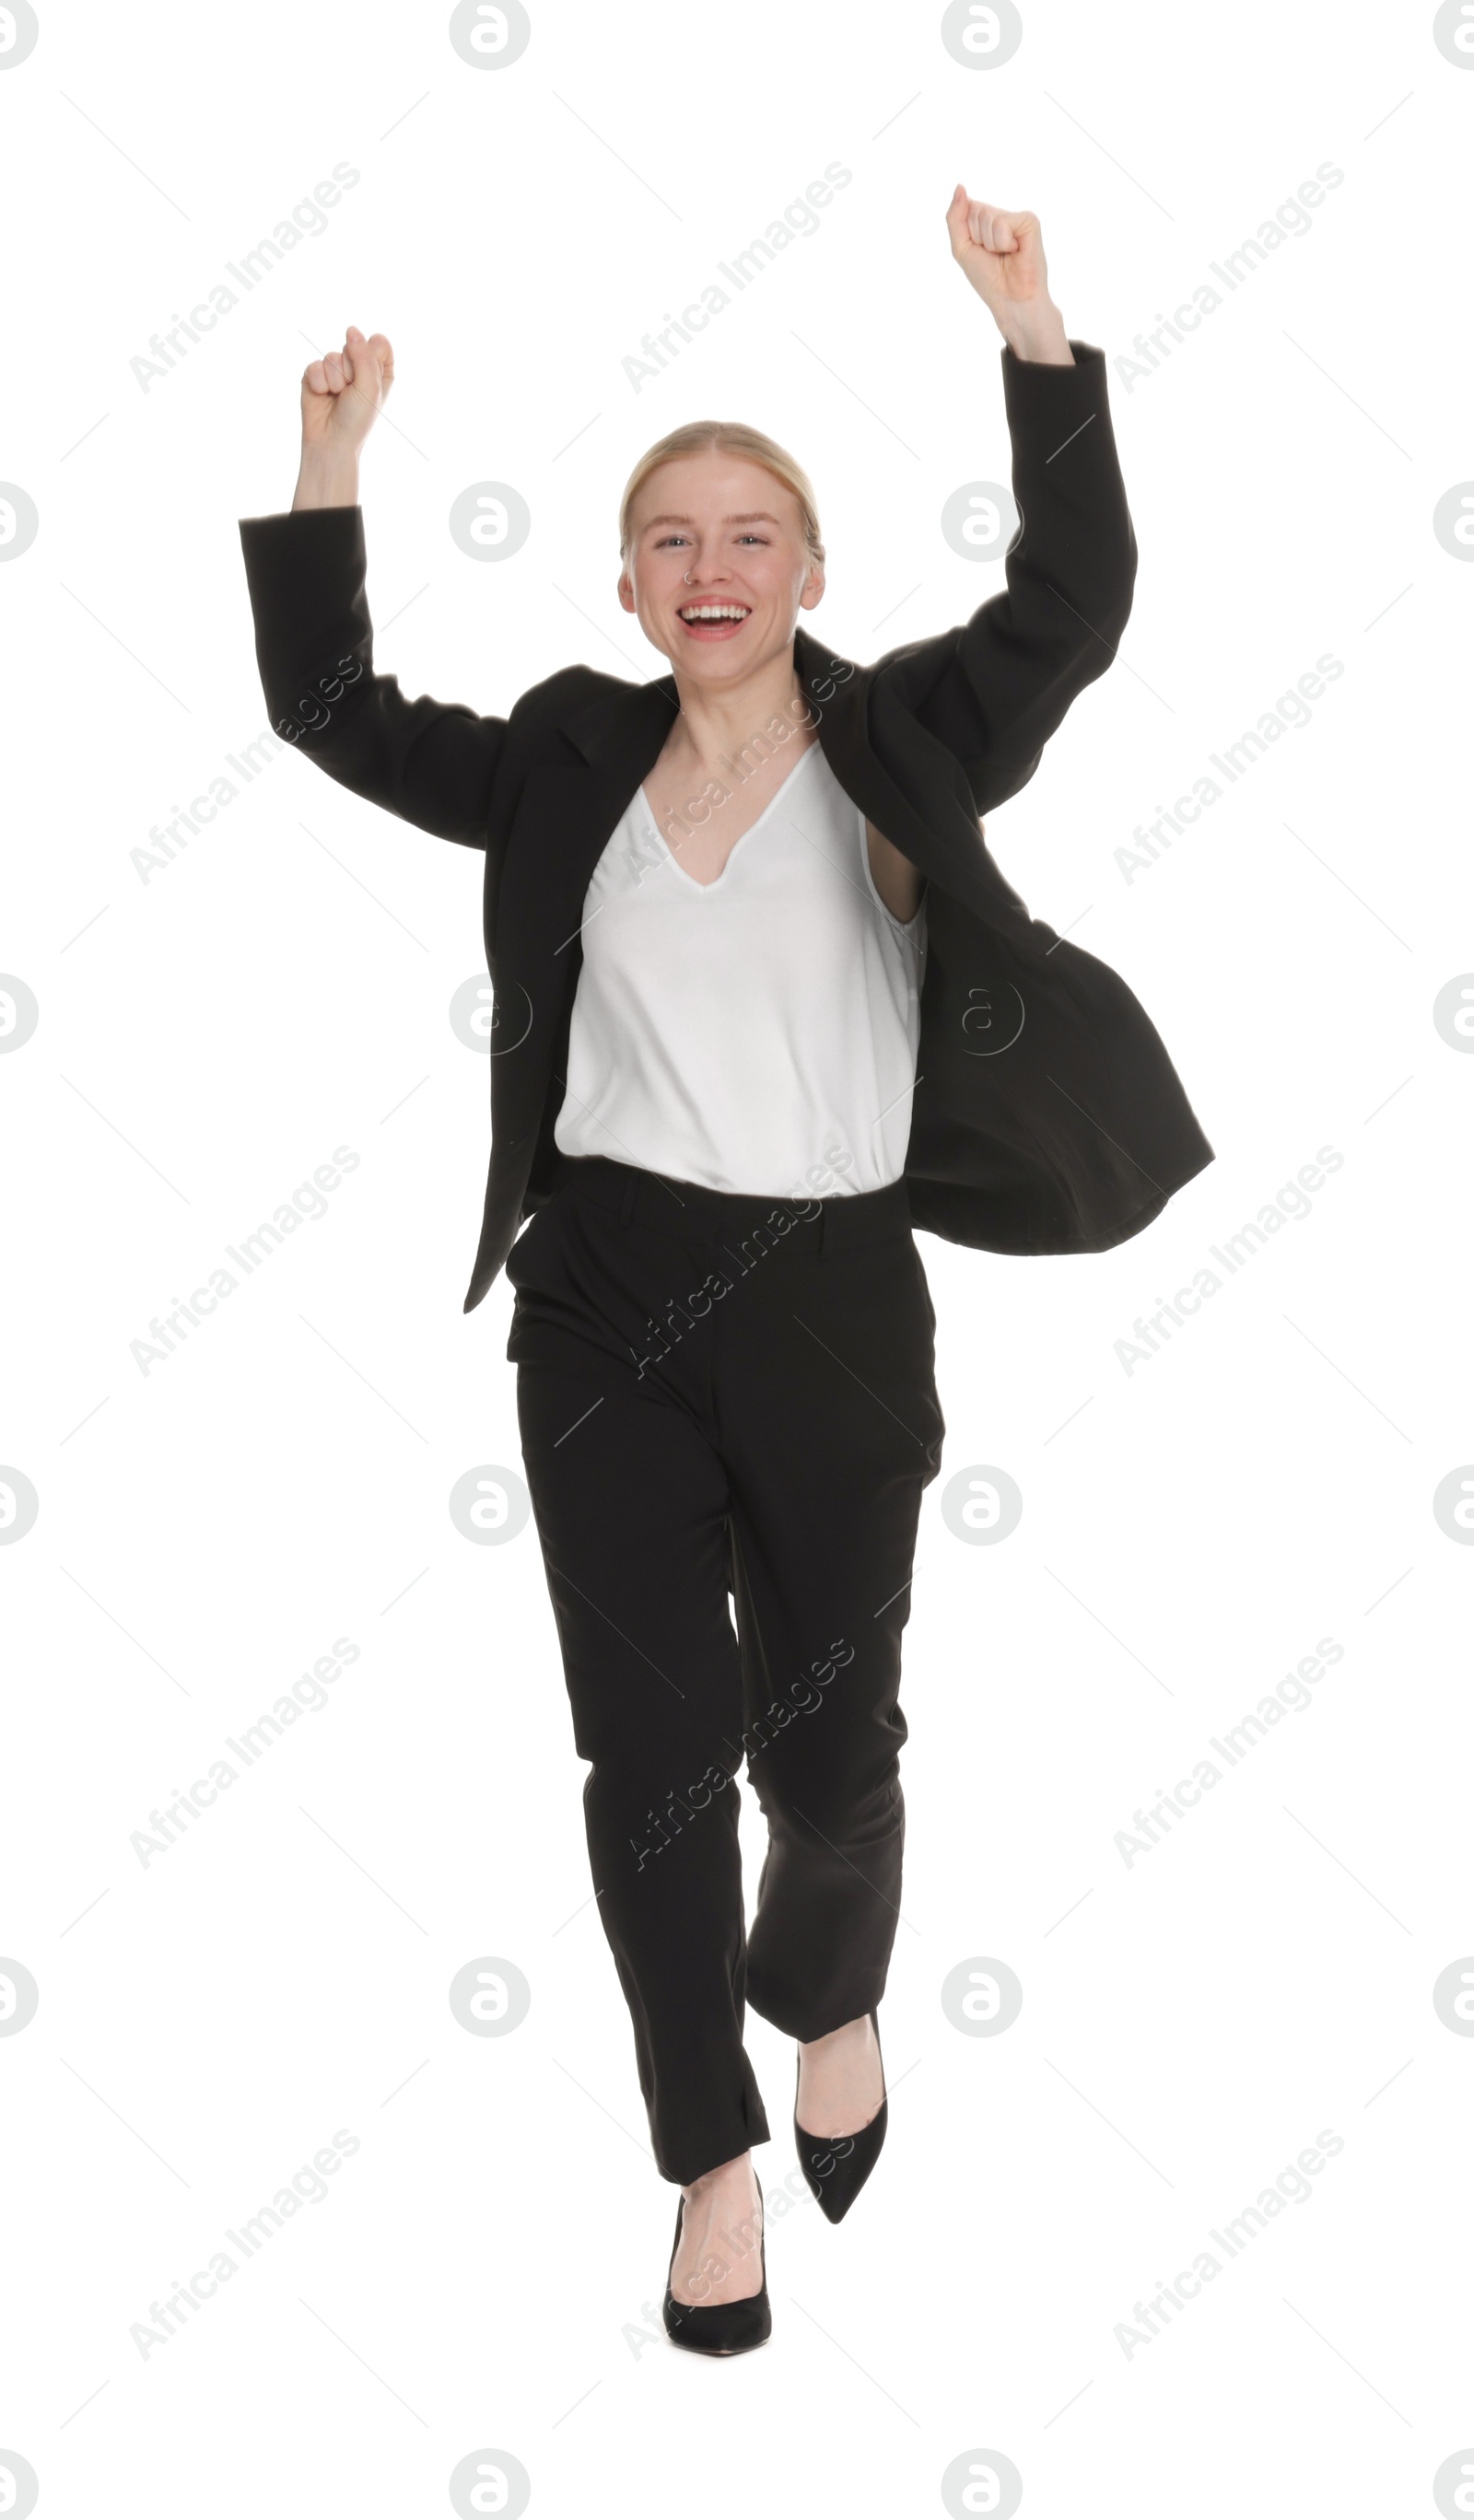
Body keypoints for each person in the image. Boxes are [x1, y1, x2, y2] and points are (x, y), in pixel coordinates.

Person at [238, 186, 1212, 2358]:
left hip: (830, 1301)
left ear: (809, 575)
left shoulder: (902, 743)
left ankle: (832, 1986)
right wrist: (334, 461)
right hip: (600, 1292)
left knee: (826, 1739)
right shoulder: (567, 759)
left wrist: (1027, 323)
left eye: (747, 531)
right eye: (667, 536)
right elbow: (328, 710)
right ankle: (704, 2154)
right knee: (647, 1750)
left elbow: (1077, 593)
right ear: (624, 583)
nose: (707, 566)